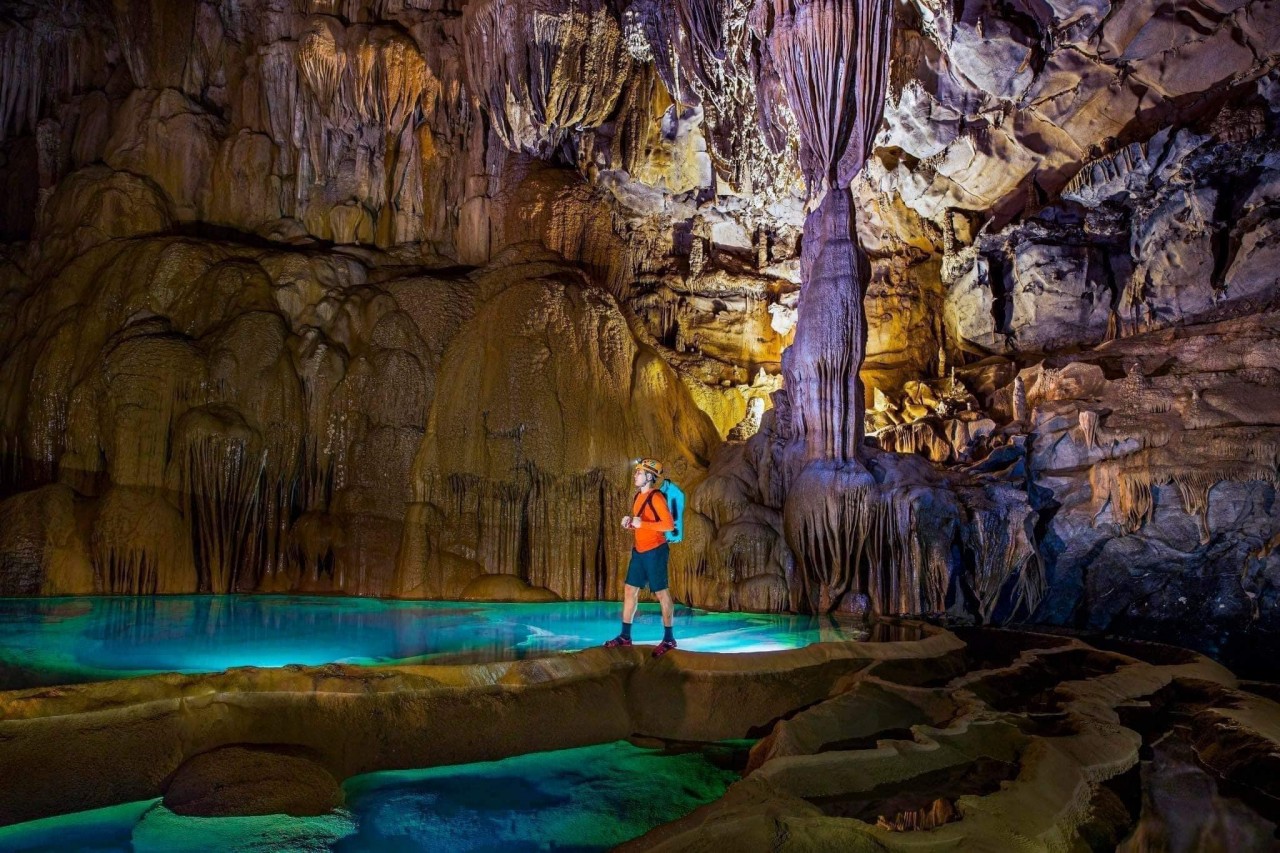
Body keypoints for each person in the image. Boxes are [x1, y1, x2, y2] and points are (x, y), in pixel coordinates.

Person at [605, 458, 677, 657]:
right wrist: (630, 523)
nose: (635, 475)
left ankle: (669, 639)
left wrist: (641, 524)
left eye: (639, 472)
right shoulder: (638, 497)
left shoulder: (656, 498)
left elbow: (669, 526)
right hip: (640, 551)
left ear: (648, 477)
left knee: (661, 593)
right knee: (629, 590)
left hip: (655, 551)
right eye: (636, 472)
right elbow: (641, 523)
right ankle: (625, 636)